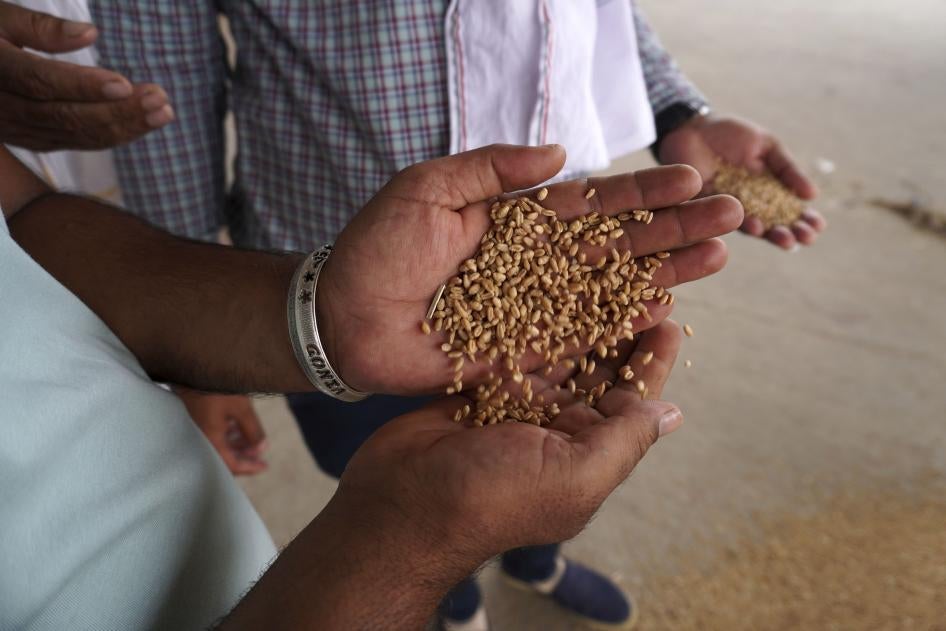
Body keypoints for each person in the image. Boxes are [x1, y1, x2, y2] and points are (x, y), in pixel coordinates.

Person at [82, 1, 818, 627]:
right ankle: (454, 594)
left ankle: (538, 560)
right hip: (326, 274)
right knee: (394, 467)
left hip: (556, 254)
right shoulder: (325, 307)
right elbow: (161, 67)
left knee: (555, 444)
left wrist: (675, 108)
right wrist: (193, 341)